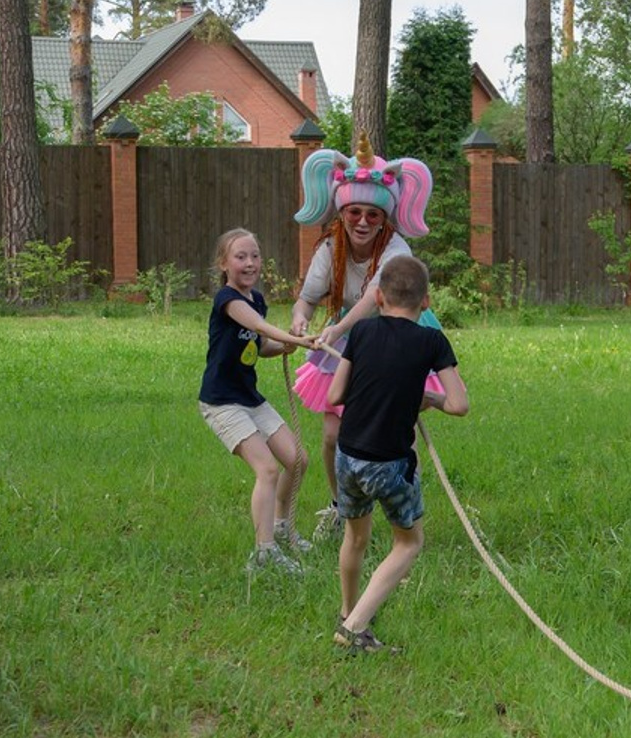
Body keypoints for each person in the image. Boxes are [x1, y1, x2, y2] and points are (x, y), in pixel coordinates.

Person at [289, 132, 434, 543]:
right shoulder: (330, 248)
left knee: (396, 435)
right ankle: (342, 507)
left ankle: (405, 511)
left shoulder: (397, 249)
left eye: (373, 214)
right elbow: (307, 299)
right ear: (342, 212)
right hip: (348, 346)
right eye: (355, 212)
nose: (364, 222)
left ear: (384, 216)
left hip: (396, 342)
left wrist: (339, 327)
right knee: (334, 435)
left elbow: (376, 298)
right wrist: (301, 320)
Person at [326, 254, 469, 653]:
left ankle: (347, 612)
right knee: (408, 544)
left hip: (347, 456)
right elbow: (458, 404)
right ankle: (354, 627)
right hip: (389, 464)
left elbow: (336, 395)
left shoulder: (363, 333)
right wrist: (429, 399)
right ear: (426, 303)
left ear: (379, 297)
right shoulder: (432, 340)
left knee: (355, 538)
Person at [198, 228, 316, 574]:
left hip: (249, 397)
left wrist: (287, 346)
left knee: (297, 459)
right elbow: (259, 327)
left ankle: (281, 526)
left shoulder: (257, 299)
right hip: (222, 401)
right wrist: (301, 338)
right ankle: (264, 554)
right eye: (240, 257)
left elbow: (260, 345)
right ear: (224, 263)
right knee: (267, 468)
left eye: (255, 256)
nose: (250, 263)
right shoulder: (227, 300)